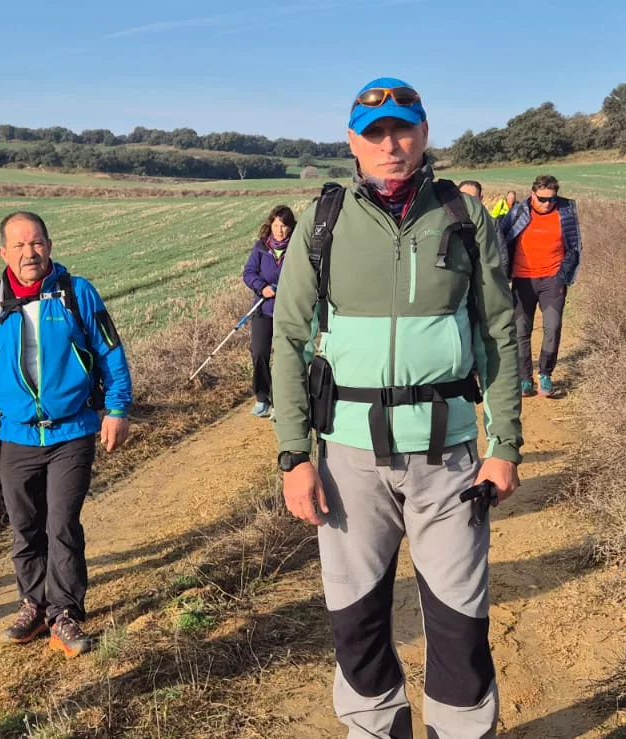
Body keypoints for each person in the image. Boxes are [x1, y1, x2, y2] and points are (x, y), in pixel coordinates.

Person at [270, 78, 524, 738]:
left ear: (425, 133)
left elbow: (500, 332)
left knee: (460, 624)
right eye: (375, 133)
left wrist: (505, 446)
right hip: (348, 461)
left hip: (449, 460)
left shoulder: (465, 220)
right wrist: (295, 456)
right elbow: (289, 339)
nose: (391, 144)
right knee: (356, 623)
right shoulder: (322, 223)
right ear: (353, 141)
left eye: (403, 129)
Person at [0, 211, 134, 658]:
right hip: (16, 434)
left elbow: (111, 354)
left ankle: (66, 611)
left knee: (61, 523)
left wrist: (117, 408)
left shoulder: (78, 293)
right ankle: (34, 604)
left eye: (35, 243)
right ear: (3, 253)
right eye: (18, 246)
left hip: (72, 429)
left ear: (50, 246)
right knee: (24, 527)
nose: (28, 253)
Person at [497, 175, 581, 399]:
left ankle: (545, 374)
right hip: (523, 280)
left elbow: (574, 245)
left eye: (551, 199)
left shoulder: (566, 212)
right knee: (521, 331)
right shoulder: (519, 212)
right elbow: (501, 237)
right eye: (542, 199)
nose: (547, 203)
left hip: (553, 280)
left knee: (552, 328)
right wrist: (503, 269)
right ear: (532, 194)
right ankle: (525, 379)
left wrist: (563, 274)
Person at [241, 204, 297, 418]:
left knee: (285, 357)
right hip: (262, 309)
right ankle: (263, 398)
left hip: (287, 311)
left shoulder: (297, 248)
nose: (279, 230)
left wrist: (285, 289)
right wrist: (261, 287)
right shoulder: (260, 248)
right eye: (276, 225)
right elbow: (248, 273)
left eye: (284, 226)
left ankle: (281, 402)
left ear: (290, 228)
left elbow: (302, 275)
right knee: (259, 353)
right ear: (270, 225)